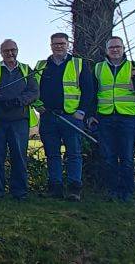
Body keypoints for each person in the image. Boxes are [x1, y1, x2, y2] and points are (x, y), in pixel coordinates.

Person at [33, 33, 96, 201]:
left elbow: (88, 90)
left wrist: (81, 112)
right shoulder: (41, 65)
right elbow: (33, 89)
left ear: (68, 45)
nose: (58, 46)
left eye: (62, 43)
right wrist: (37, 104)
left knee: (74, 154)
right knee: (52, 154)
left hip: (71, 117)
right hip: (48, 116)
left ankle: (74, 190)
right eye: (55, 44)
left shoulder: (78, 63)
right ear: (50, 45)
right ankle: (55, 188)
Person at [0, 39, 37, 201]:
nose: (10, 54)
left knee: (19, 156)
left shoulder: (26, 70)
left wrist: (19, 101)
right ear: (1, 53)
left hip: (19, 120)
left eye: (13, 50)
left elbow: (34, 92)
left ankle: (19, 192)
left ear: (17, 50)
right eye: (6, 51)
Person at [91, 36, 135, 202]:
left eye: (118, 47)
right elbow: (92, 93)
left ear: (123, 49)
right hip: (105, 117)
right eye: (111, 47)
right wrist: (92, 115)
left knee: (126, 157)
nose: (115, 50)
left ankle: (127, 192)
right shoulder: (98, 68)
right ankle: (112, 191)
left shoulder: (134, 66)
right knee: (109, 157)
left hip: (127, 117)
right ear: (106, 50)